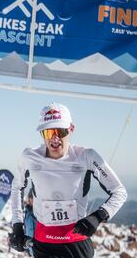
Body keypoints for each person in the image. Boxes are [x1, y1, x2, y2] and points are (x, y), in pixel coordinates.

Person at [9, 102, 127, 257]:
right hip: (43, 243)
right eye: (48, 133)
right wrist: (17, 224)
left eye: (60, 131)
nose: (55, 138)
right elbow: (17, 188)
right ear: (42, 134)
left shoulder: (87, 156)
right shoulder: (29, 157)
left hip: (76, 244)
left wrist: (98, 216)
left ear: (71, 129)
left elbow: (119, 191)